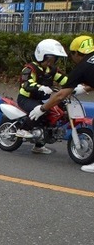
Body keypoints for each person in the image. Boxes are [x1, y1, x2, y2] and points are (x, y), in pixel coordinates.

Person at [30, 35, 94, 171]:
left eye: (72, 54)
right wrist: (83, 89)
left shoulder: (82, 67)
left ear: (76, 53)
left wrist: (42, 109)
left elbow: (60, 95)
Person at [14, 39, 68, 155]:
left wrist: (77, 85)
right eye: (48, 60)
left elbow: (65, 80)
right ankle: (23, 129)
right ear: (41, 56)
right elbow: (26, 84)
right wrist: (40, 87)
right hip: (26, 99)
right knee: (40, 109)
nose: (50, 63)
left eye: (53, 60)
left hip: (44, 99)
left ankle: (39, 145)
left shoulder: (52, 70)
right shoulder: (29, 69)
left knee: (57, 111)